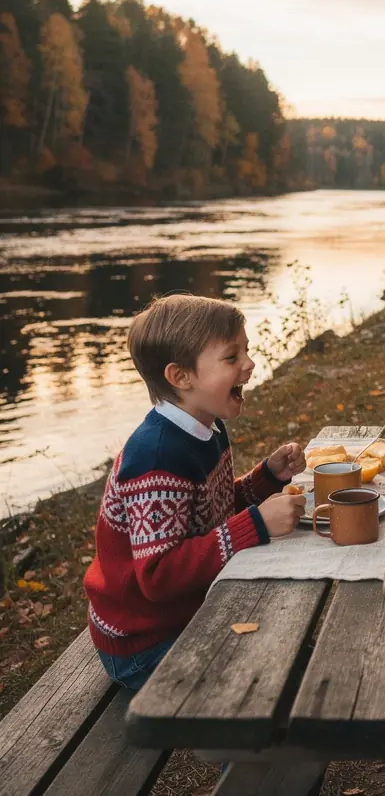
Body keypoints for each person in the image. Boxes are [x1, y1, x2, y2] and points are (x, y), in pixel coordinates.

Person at [84, 294, 307, 690]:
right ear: (181, 377)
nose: (249, 365)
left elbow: (208, 513)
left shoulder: (206, 425)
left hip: (182, 613)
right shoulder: (156, 458)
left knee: (289, 639)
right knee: (255, 687)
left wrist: (266, 479)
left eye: (247, 351)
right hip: (142, 641)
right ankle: (239, 749)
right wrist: (256, 524)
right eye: (231, 357)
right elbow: (158, 575)